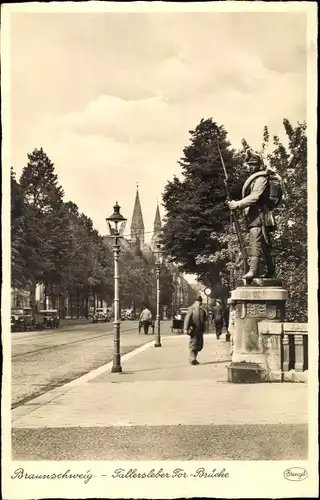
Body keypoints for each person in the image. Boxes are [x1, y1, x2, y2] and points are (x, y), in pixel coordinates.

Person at [227, 149, 282, 279]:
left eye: (253, 164)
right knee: (264, 244)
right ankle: (270, 271)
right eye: (250, 164)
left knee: (255, 241)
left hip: (260, 215)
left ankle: (253, 271)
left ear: (259, 164)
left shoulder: (261, 178)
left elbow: (255, 196)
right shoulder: (256, 178)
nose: (251, 167)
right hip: (256, 215)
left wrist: (238, 204)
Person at [183, 296, 207, 365]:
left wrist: (204, 327)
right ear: (195, 302)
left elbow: (205, 319)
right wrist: (185, 328)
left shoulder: (202, 310)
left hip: (200, 329)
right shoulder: (191, 309)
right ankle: (192, 358)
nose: (200, 303)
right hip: (194, 329)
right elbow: (187, 318)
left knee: (199, 345)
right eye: (199, 302)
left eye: (200, 302)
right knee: (193, 343)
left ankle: (195, 358)